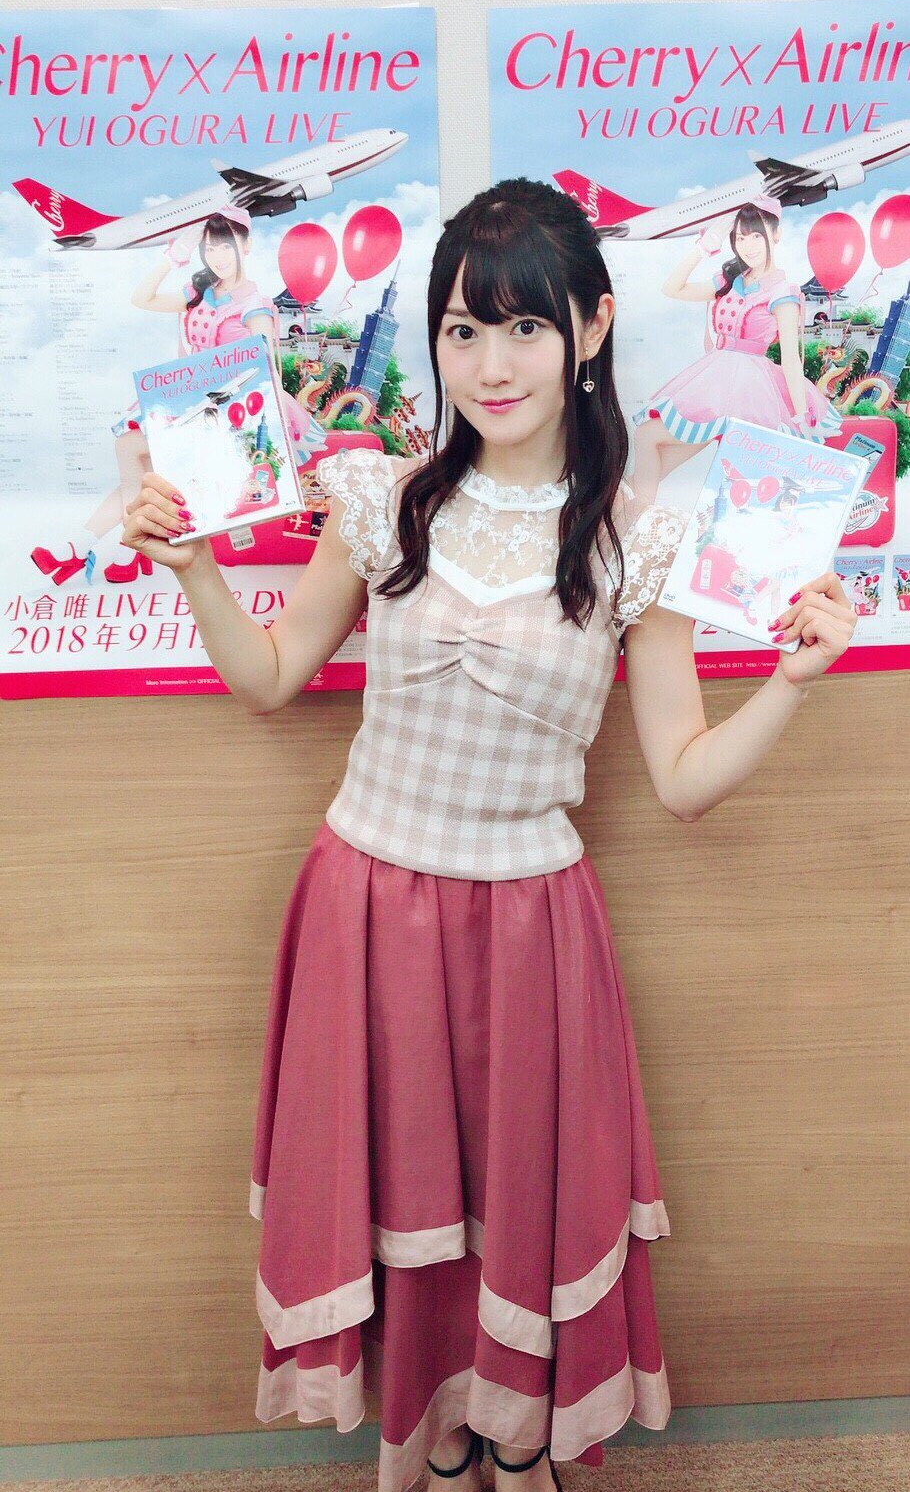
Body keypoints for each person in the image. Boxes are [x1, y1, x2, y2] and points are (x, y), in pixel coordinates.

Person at [120, 177, 858, 1492]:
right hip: (362, 908)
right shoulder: (383, 497)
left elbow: (682, 778)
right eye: (462, 331)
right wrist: (196, 574)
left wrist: (791, 684)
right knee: (401, 1199)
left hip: (528, 927)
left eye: (523, 327)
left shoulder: (638, 538)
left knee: (513, 1200)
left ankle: (515, 1442)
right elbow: (273, 677)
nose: (491, 364)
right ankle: (442, 1436)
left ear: (591, 328)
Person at [29, 203, 322, 588]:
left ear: (246, 246)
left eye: (226, 246)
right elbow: (142, 298)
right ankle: (100, 548)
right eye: (210, 247)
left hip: (229, 410)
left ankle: (96, 548)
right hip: (188, 401)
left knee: (130, 451)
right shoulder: (199, 293)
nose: (218, 256)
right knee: (139, 467)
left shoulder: (254, 305)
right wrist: (172, 258)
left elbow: (266, 367)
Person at [624, 195, 844, 525]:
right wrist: (703, 248)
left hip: (749, 393)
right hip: (715, 383)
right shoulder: (729, 280)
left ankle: (635, 522)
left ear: (775, 235)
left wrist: (800, 416)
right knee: (650, 442)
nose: (748, 245)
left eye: (756, 235)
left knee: (658, 443)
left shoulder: (782, 292)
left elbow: (790, 359)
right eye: (740, 237)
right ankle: (633, 522)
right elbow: (672, 288)